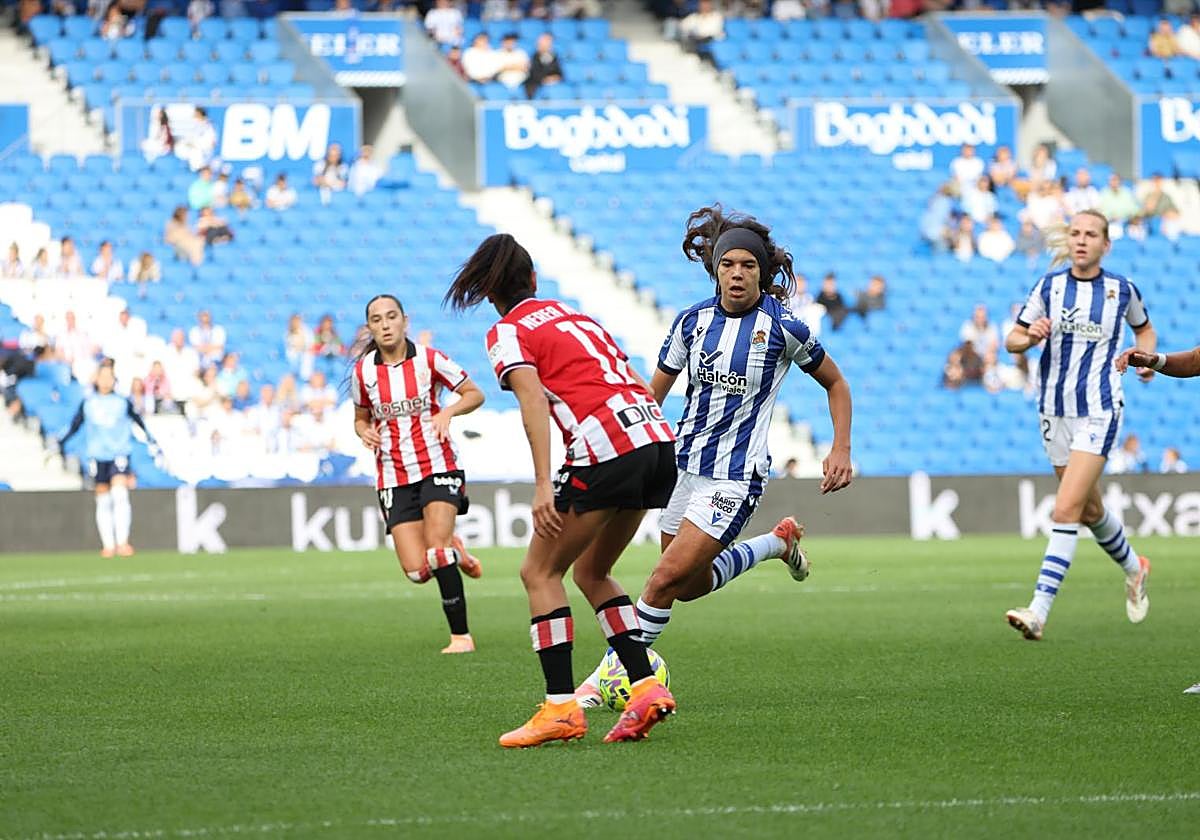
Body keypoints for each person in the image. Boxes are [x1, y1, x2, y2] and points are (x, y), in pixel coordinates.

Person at [568, 206, 853, 717]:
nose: (737, 273)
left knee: (659, 581)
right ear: (715, 268)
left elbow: (836, 383)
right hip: (682, 471)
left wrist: (841, 448)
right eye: (728, 264)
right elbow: (653, 395)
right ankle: (776, 544)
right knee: (687, 586)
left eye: (748, 265)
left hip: (735, 478)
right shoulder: (691, 322)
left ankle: (613, 674)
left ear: (763, 273)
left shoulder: (784, 328)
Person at [444, 233, 680, 748]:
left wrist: (542, 486)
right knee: (593, 571)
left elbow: (532, 401)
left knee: (539, 570)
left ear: (489, 294)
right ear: (533, 280)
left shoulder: (506, 332)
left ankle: (560, 709)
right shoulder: (573, 315)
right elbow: (624, 375)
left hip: (607, 447)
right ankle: (643, 689)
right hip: (657, 439)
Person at [1003, 210, 1156, 642]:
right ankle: (1134, 567)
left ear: (1105, 244)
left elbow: (1145, 331)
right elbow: (1011, 339)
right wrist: (1030, 335)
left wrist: (1144, 359)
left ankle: (1038, 611)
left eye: (1091, 234)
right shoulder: (1048, 288)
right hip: (1053, 410)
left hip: (1099, 408)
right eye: (1075, 233)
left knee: (1065, 509)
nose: (1082, 240)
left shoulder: (1120, 290)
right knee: (1089, 511)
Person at [350, 294, 485, 655]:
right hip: (393, 474)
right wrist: (363, 431)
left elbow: (475, 393)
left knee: (436, 554)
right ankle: (456, 548)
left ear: (404, 321)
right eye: (377, 320)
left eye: (391, 317)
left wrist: (448, 413)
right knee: (416, 570)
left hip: (437, 464)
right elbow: (361, 417)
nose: (385, 325)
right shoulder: (363, 371)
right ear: (370, 328)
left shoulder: (429, 359)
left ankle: (461, 637)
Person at [57, 365, 160, 558]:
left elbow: (138, 421)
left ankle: (123, 542)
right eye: (102, 377)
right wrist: (61, 442)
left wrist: (151, 438)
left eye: (109, 377)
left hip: (119, 453)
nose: (105, 381)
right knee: (103, 500)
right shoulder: (88, 403)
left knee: (120, 495)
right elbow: (75, 426)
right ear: (97, 379)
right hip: (97, 456)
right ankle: (108, 544)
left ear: (114, 380)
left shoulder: (122, 402)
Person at [524, 32, 563, 98]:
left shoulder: (554, 56)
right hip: (536, 84)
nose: (547, 44)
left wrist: (554, 78)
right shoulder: (535, 56)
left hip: (553, 83)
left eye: (549, 41)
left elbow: (560, 72)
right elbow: (534, 72)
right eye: (545, 41)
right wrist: (545, 79)